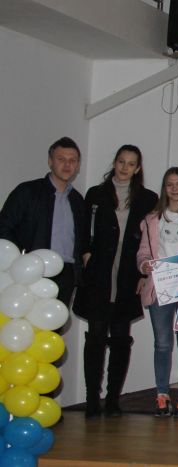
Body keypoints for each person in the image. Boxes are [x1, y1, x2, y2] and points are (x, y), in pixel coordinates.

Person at [78, 145, 159, 418]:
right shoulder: (96, 194)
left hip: (128, 274)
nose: (125, 167)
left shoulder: (148, 198)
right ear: (114, 163)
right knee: (96, 337)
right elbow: (83, 230)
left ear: (138, 168)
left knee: (121, 338)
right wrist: (86, 254)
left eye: (131, 163)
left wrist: (145, 274)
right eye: (121, 161)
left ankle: (113, 399)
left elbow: (152, 239)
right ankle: (92, 399)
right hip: (100, 273)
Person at [135, 167, 178, 418]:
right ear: (164, 188)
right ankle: (162, 394)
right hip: (160, 287)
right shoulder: (152, 219)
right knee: (162, 344)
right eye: (169, 184)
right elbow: (143, 251)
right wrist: (144, 265)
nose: (174, 189)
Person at [0, 137, 86, 306]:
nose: (67, 165)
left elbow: (80, 240)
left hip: (66, 273)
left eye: (72, 160)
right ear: (50, 161)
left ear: (77, 165)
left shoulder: (77, 200)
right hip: (32, 271)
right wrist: (20, 259)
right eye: (61, 159)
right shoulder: (27, 191)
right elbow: (4, 227)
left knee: (57, 320)